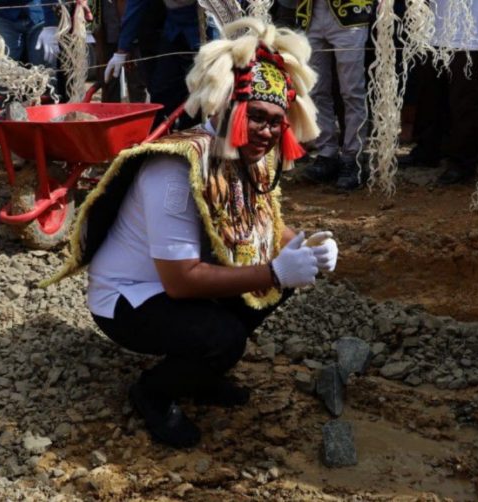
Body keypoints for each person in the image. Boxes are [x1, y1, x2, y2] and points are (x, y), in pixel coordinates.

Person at [44, 17, 339, 448]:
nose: (267, 131)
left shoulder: (250, 159)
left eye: (276, 121)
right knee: (227, 334)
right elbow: (181, 281)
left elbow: (264, 227)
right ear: (224, 108)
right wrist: (275, 272)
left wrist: (309, 244)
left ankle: (201, 371)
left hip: (176, 284)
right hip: (128, 299)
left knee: (286, 276)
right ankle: (154, 392)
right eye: (256, 116)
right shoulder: (175, 170)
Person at [400, 0, 478, 185]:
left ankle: (462, 161)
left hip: (474, 28)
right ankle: (429, 149)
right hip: (433, 24)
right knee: (431, 90)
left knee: (465, 97)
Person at [297, 0, 374, 190]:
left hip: (351, 16)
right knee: (315, 90)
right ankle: (326, 153)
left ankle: (353, 157)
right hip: (310, 13)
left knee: (352, 91)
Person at [103, 0, 201, 127]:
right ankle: (161, 136)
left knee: (202, 92)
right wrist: (122, 50)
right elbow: (136, 5)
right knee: (161, 90)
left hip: (206, 27)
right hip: (174, 29)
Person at [0, 0, 60, 69]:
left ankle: (48, 97)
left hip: (40, 11)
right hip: (3, 13)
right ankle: (7, 98)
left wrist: (51, 24)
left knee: (45, 65)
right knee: (3, 69)